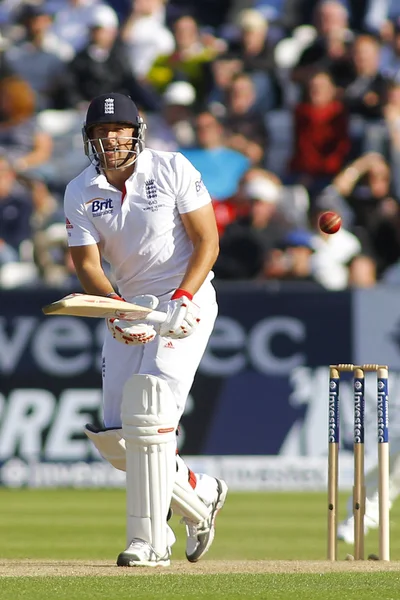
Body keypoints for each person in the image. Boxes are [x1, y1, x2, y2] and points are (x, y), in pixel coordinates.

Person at [63, 92, 227, 567]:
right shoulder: (80, 190)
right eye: (100, 131)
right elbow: (87, 264)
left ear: (136, 130)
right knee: (117, 439)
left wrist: (182, 298)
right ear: (90, 139)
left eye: (118, 129)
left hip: (187, 299)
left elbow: (207, 241)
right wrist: (116, 308)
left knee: (151, 409)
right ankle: (200, 493)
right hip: (131, 305)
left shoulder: (173, 168)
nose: (110, 138)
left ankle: (151, 544)